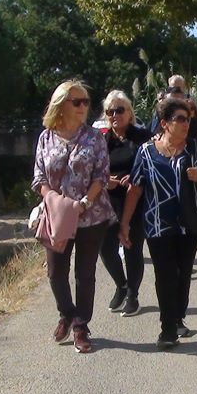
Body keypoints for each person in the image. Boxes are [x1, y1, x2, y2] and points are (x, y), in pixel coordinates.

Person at [32, 80, 116, 354]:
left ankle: (81, 326)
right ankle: (66, 313)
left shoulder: (95, 137)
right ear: (61, 105)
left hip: (92, 215)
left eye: (86, 102)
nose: (83, 107)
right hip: (57, 216)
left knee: (85, 273)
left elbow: (102, 175)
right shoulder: (46, 138)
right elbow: (39, 177)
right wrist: (54, 201)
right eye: (76, 102)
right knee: (55, 271)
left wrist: (84, 202)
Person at [120, 98, 197, 350]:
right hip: (157, 225)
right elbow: (135, 188)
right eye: (180, 119)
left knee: (183, 273)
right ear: (164, 123)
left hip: (189, 224)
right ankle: (167, 329)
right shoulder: (146, 152)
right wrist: (125, 223)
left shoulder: (196, 149)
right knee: (165, 275)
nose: (186, 124)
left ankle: (178, 317)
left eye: (188, 119)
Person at [98, 90, 152, 317]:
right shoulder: (102, 141)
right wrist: (105, 181)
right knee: (105, 248)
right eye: (110, 111)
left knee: (131, 247)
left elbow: (154, 165)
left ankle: (132, 295)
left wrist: (136, 175)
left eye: (120, 110)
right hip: (108, 202)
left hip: (137, 200)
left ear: (130, 113)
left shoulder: (143, 138)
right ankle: (121, 285)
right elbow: (93, 171)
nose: (115, 115)